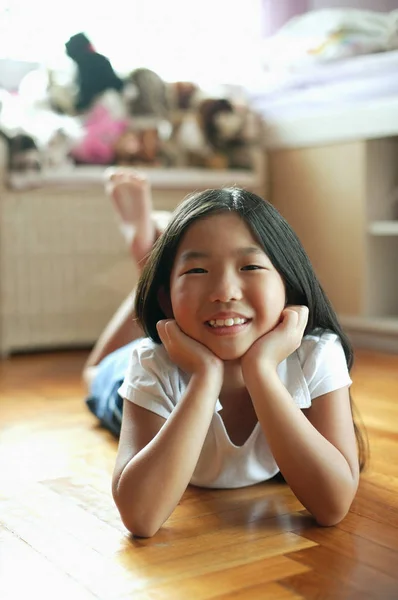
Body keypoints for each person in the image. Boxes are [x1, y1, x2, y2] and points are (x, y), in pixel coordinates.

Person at [84, 171, 367, 539]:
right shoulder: (152, 362)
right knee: (92, 376)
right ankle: (147, 265)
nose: (224, 291)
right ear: (166, 298)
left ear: (289, 283)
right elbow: (140, 517)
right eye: (197, 269)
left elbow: (332, 506)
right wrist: (204, 377)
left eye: (250, 266)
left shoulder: (316, 353)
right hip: (153, 370)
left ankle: (152, 258)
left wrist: (262, 371)